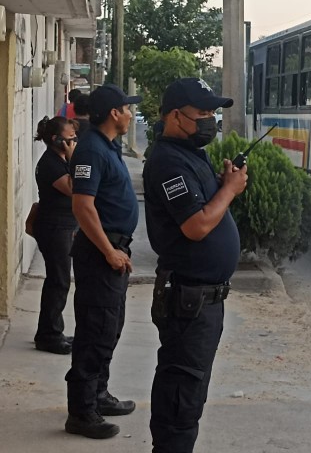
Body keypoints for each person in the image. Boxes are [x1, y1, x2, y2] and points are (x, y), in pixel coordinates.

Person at [143, 78, 247, 453]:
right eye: (202, 113)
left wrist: (221, 186)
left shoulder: (191, 153)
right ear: (175, 116)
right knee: (180, 399)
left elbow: (204, 207)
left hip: (204, 300)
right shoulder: (169, 160)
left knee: (190, 394)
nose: (210, 120)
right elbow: (197, 225)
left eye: (213, 113)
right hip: (188, 299)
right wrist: (230, 191)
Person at [64, 84, 142, 439]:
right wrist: (109, 251)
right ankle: (82, 412)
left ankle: (99, 394)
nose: (131, 114)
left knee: (109, 328)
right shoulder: (91, 150)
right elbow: (83, 206)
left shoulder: (107, 146)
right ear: (114, 112)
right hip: (100, 256)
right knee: (94, 332)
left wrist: (119, 250)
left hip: (113, 252)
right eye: (128, 108)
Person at [32, 116, 78, 355]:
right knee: (58, 281)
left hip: (62, 227)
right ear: (55, 139)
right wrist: (73, 159)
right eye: (69, 139)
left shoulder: (59, 160)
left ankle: (51, 329)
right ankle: (49, 335)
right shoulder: (51, 163)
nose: (73, 143)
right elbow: (74, 188)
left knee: (58, 280)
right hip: (54, 228)